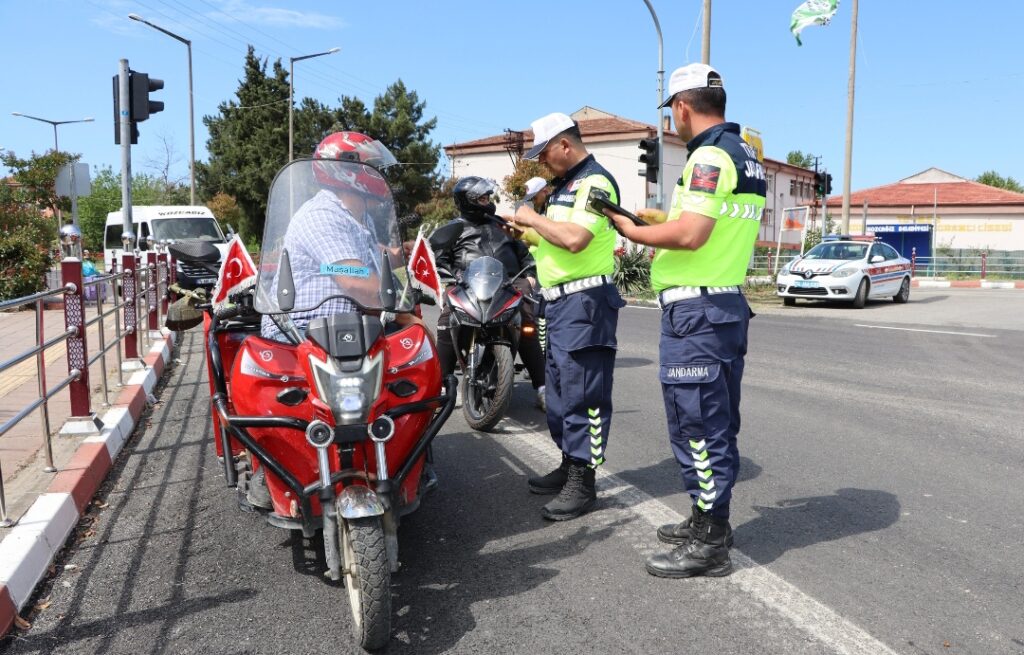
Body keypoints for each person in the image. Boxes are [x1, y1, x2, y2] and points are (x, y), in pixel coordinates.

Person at [605, 64, 765, 578]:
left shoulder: (709, 157)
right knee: (714, 421)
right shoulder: (747, 156)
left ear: (681, 107)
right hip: (719, 307)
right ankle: (704, 518)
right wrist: (651, 218)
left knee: (697, 424)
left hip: (696, 314)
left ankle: (710, 540)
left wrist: (633, 230)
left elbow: (692, 234)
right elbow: (711, 227)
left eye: (671, 114)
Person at [507, 113, 624, 521]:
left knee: (583, 395)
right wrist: (526, 233)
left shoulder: (594, 183)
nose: (543, 163)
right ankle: (568, 464)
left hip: (585, 302)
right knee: (557, 394)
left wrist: (532, 218)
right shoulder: (562, 188)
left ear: (564, 144)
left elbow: (575, 240)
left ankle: (583, 480)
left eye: (544, 154)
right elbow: (554, 242)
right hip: (557, 303)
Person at [260, 130, 399, 342]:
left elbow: (371, 253)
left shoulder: (359, 217)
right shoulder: (322, 214)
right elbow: (355, 279)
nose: (381, 175)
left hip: (342, 330)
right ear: (348, 170)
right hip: (298, 331)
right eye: (375, 168)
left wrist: (407, 253)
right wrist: (407, 317)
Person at [433, 176, 546, 409]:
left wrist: (530, 275)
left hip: (508, 286)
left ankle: (543, 388)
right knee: (447, 319)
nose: (488, 201)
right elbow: (440, 260)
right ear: (468, 200)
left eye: (487, 197)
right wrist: (451, 279)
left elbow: (525, 255)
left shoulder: (502, 225)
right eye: (482, 198)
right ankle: (442, 383)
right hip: (467, 287)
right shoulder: (453, 229)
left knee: (526, 324)